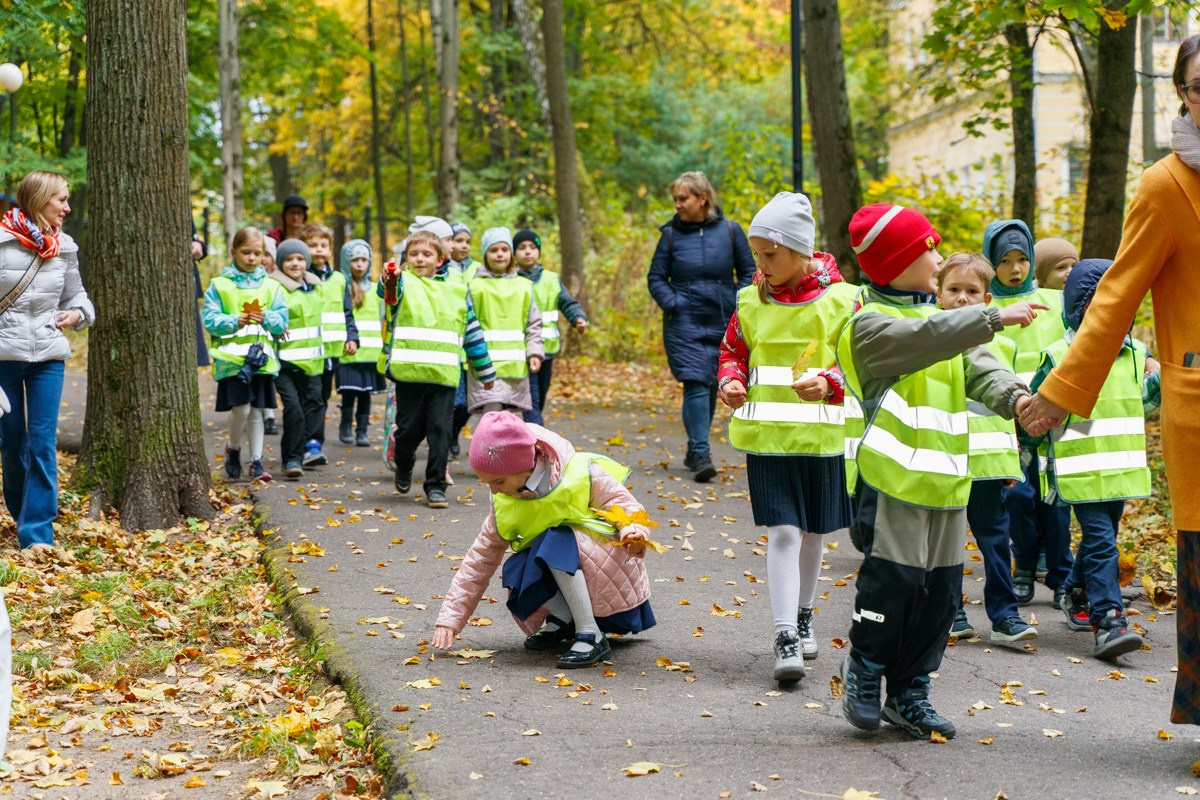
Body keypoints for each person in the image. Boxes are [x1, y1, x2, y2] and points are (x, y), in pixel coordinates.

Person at [1023, 32, 1200, 727]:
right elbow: (1116, 298)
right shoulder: (1166, 185)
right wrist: (1059, 393)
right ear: (1182, 94)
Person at [836, 203, 1040, 740]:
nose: (937, 255)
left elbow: (981, 368)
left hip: (947, 483)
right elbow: (926, 340)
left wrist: (1018, 399)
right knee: (893, 586)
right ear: (898, 261)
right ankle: (865, 669)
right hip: (891, 483)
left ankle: (911, 691)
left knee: (940, 595)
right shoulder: (868, 325)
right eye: (928, 248)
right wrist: (990, 318)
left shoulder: (943, 323)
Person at [715, 192, 856, 682]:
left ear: (801, 250)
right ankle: (785, 635)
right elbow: (733, 350)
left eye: (770, 254)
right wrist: (730, 381)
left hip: (822, 439)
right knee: (784, 533)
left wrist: (831, 383)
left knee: (813, 533)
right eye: (756, 254)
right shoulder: (750, 300)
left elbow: (861, 361)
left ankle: (803, 614)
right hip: (769, 440)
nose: (761, 264)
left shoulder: (846, 300)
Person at [431, 411, 655, 668]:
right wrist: (450, 619)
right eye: (487, 483)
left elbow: (624, 504)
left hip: (605, 574)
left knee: (555, 539)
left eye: (498, 481)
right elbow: (479, 559)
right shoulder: (505, 498)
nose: (494, 490)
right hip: (569, 574)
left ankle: (590, 633)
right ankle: (564, 618)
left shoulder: (579, 470)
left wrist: (632, 530)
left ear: (523, 465)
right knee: (516, 565)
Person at [1025, 258, 1159, 661]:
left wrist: (1163, 379)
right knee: (1102, 542)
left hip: (1119, 469)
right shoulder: (1059, 354)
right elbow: (1034, 413)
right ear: (1078, 308)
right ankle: (1109, 621)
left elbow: (1142, 404)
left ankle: (1073, 590)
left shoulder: (1135, 354)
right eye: (1098, 306)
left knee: (1103, 540)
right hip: (1079, 469)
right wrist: (1024, 451)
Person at [936, 253, 1037, 648]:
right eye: (954, 290)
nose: (962, 298)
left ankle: (1005, 615)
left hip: (989, 464)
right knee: (947, 541)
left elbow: (1007, 412)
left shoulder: (1004, 345)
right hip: (945, 460)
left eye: (972, 291)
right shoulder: (929, 341)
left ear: (988, 299)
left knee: (995, 540)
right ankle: (952, 612)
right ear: (939, 295)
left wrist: (1010, 461)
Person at [0, 170, 94, 554]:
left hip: (48, 357)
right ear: (40, 199)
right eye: (62, 200)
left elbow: (78, 296)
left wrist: (77, 314)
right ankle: (22, 514)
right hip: (4, 357)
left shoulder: (64, 247)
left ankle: (37, 536)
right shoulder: (2, 242)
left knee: (41, 443)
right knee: (11, 444)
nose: (67, 208)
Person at [982, 219, 1072, 608]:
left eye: (1022, 259)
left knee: (1054, 498)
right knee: (1017, 497)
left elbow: (1088, 334)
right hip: (1007, 421)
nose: (1015, 269)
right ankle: (1024, 566)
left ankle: (1062, 574)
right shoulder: (984, 308)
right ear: (991, 263)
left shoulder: (1055, 301)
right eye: (1004, 261)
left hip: (1052, 417)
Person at [647, 171, 755, 483]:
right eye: (676, 199)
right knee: (695, 381)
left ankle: (696, 449)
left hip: (722, 318)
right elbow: (656, 278)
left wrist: (736, 302)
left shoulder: (731, 231)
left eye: (683, 199)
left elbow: (749, 272)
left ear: (702, 198)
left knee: (710, 382)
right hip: (684, 321)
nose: (677, 205)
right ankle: (700, 451)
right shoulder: (670, 235)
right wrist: (674, 303)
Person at [379, 232, 495, 508]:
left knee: (440, 431)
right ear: (406, 259)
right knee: (408, 430)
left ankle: (435, 486)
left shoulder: (457, 289)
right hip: (409, 373)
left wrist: (485, 371)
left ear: (440, 259)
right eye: (414, 254)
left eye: (426, 254)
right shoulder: (403, 283)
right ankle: (403, 463)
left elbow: (472, 331)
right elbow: (388, 293)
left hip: (444, 375)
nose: (419, 259)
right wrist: (388, 279)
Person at [202, 226, 288, 482]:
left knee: (258, 410)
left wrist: (268, 317)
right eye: (246, 252)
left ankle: (257, 462)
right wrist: (234, 321)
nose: (252, 258)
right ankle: (233, 448)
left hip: (261, 359)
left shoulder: (272, 286)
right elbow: (210, 320)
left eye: (257, 253)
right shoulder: (220, 285)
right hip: (233, 361)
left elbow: (282, 321)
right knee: (242, 408)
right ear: (234, 252)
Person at [513, 228, 588, 425]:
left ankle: (532, 429)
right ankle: (537, 435)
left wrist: (578, 318)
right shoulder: (511, 280)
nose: (527, 251)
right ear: (514, 253)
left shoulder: (551, 279)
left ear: (538, 251)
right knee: (531, 400)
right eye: (522, 247)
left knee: (540, 398)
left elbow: (567, 303)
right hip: (523, 350)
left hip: (547, 349)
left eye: (532, 247)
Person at [300, 222, 359, 467]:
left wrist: (352, 337)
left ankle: (311, 442)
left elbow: (347, 312)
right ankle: (310, 443)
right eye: (312, 245)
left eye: (323, 245)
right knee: (310, 396)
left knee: (322, 396)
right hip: (305, 349)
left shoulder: (339, 279)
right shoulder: (301, 278)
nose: (318, 249)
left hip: (330, 351)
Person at [467, 227, 544, 416]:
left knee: (507, 419)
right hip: (485, 368)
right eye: (493, 250)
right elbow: (466, 323)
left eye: (504, 249)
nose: (500, 254)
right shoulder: (475, 287)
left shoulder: (524, 286)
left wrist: (534, 352)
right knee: (492, 417)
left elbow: (533, 323)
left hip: (515, 368)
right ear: (485, 255)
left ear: (511, 254)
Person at [267, 240, 325, 479]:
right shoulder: (274, 287)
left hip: (312, 361)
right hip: (284, 362)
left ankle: (307, 449)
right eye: (289, 259)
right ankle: (291, 459)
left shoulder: (316, 286)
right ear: (280, 263)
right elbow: (267, 315)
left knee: (314, 405)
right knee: (293, 408)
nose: (295, 263)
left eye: (300, 259)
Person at [336, 239, 385, 446]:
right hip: (349, 350)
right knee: (349, 392)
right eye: (354, 260)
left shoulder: (376, 290)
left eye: (364, 260)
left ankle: (362, 431)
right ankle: (346, 424)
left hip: (371, 352)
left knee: (366, 394)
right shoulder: (343, 289)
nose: (359, 264)